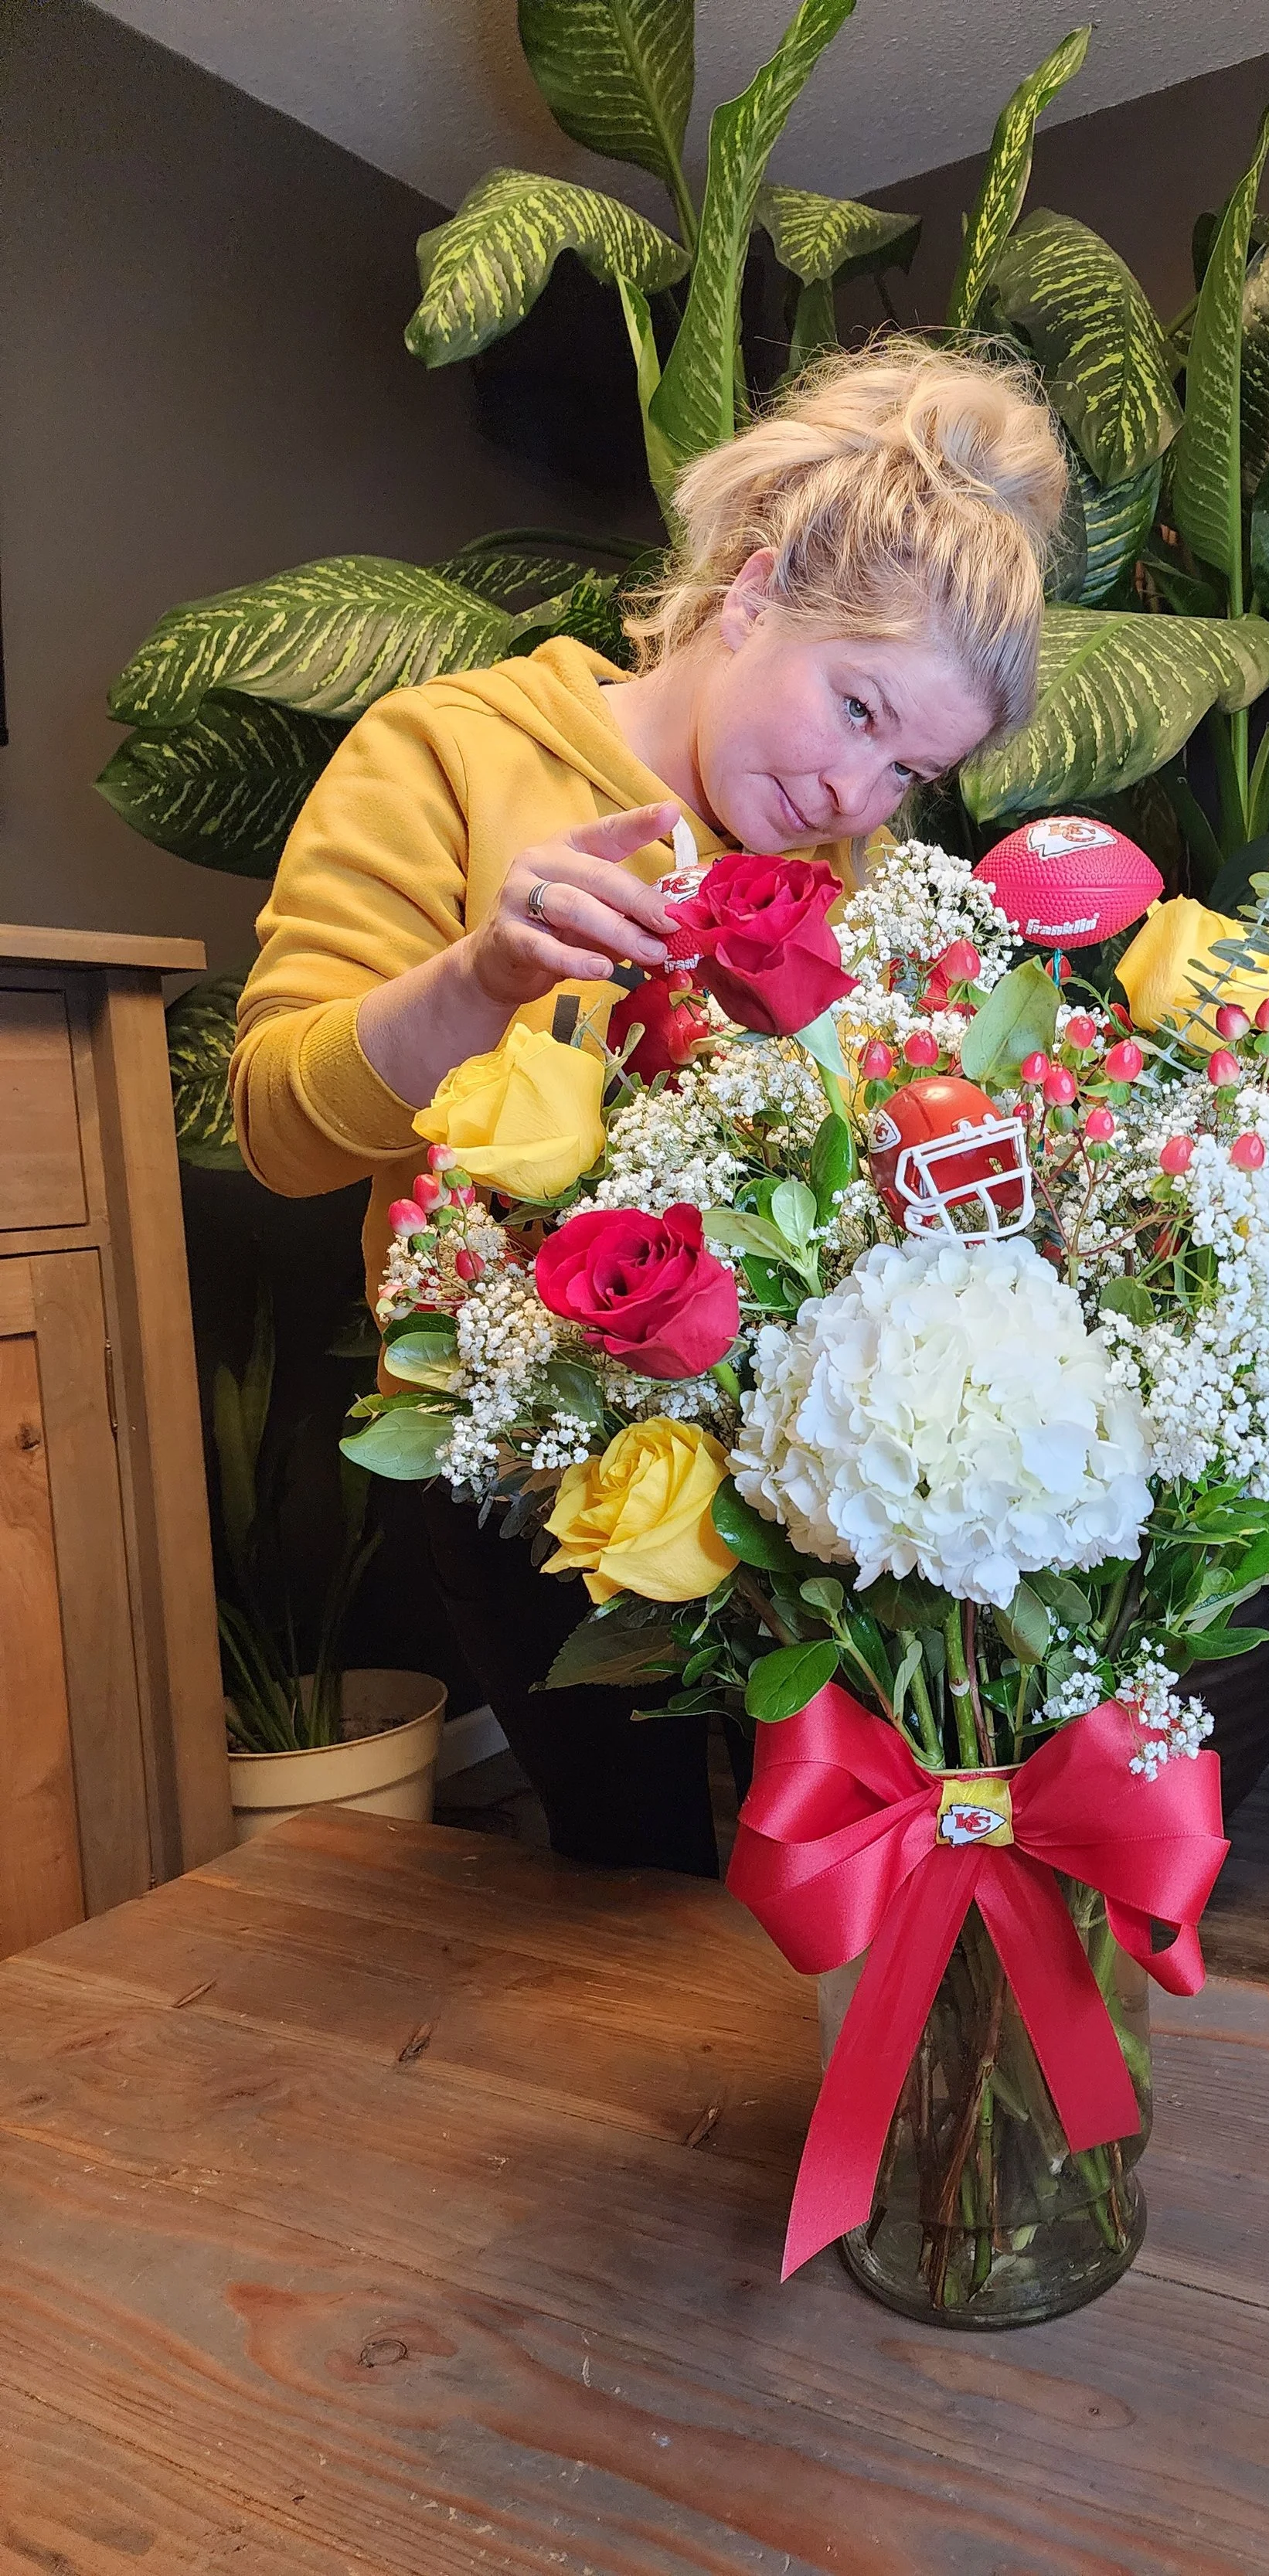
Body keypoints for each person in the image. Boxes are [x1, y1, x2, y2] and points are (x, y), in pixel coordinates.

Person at [231, 340, 1068, 1872]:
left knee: (842, 1884)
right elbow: (282, 1133)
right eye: (859, 708)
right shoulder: (451, 755)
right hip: (543, 1498)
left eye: (912, 771)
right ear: (749, 596)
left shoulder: (861, 888)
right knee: (624, 1922)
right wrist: (480, 974)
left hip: (811, 1497)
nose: (857, 795)